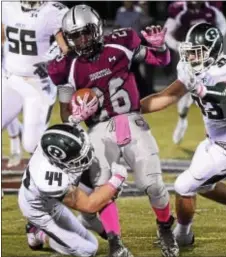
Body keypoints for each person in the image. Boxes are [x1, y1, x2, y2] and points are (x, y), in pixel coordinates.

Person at [48, 5, 179, 257]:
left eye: (86, 33)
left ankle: (164, 226)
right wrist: (75, 116)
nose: (82, 40)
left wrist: (161, 48)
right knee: (102, 188)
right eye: (75, 36)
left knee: (152, 183)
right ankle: (115, 242)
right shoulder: (66, 66)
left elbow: (161, 62)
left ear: (96, 28)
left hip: (131, 120)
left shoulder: (121, 43)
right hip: (97, 128)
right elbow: (65, 111)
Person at [140, 23, 226, 247]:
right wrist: (130, 108)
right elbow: (167, 96)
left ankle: (183, 236)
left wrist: (199, 89)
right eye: (189, 52)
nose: (191, 57)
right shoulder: (191, 68)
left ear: (214, 51)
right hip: (214, 142)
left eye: (197, 53)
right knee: (203, 184)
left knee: (184, 186)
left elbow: (224, 94)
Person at [18, 123, 128, 257]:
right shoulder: (49, 178)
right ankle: (39, 234)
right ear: (59, 161)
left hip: (51, 201)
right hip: (38, 211)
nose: (86, 154)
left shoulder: (50, 144)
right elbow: (89, 205)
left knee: (91, 241)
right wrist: (116, 180)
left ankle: (38, 231)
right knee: (88, 250)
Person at [1, 1, 69, 167]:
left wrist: (49, 60)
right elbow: (3, 36)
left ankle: (58, 172)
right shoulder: (7, 6)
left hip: (38, 84)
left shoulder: (53, 11)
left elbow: (67, 47)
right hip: (11, 78)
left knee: (31, 144)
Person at [164, 1, 226, 144]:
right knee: (188, 92)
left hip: (208, 55)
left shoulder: (211, 8)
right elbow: (167, 32)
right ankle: (182, 119)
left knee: (210, 92)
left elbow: (223, 24)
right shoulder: (179, 9)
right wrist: (177, 45)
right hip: (189, 56)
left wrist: (216, 40)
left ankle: (216, 134)